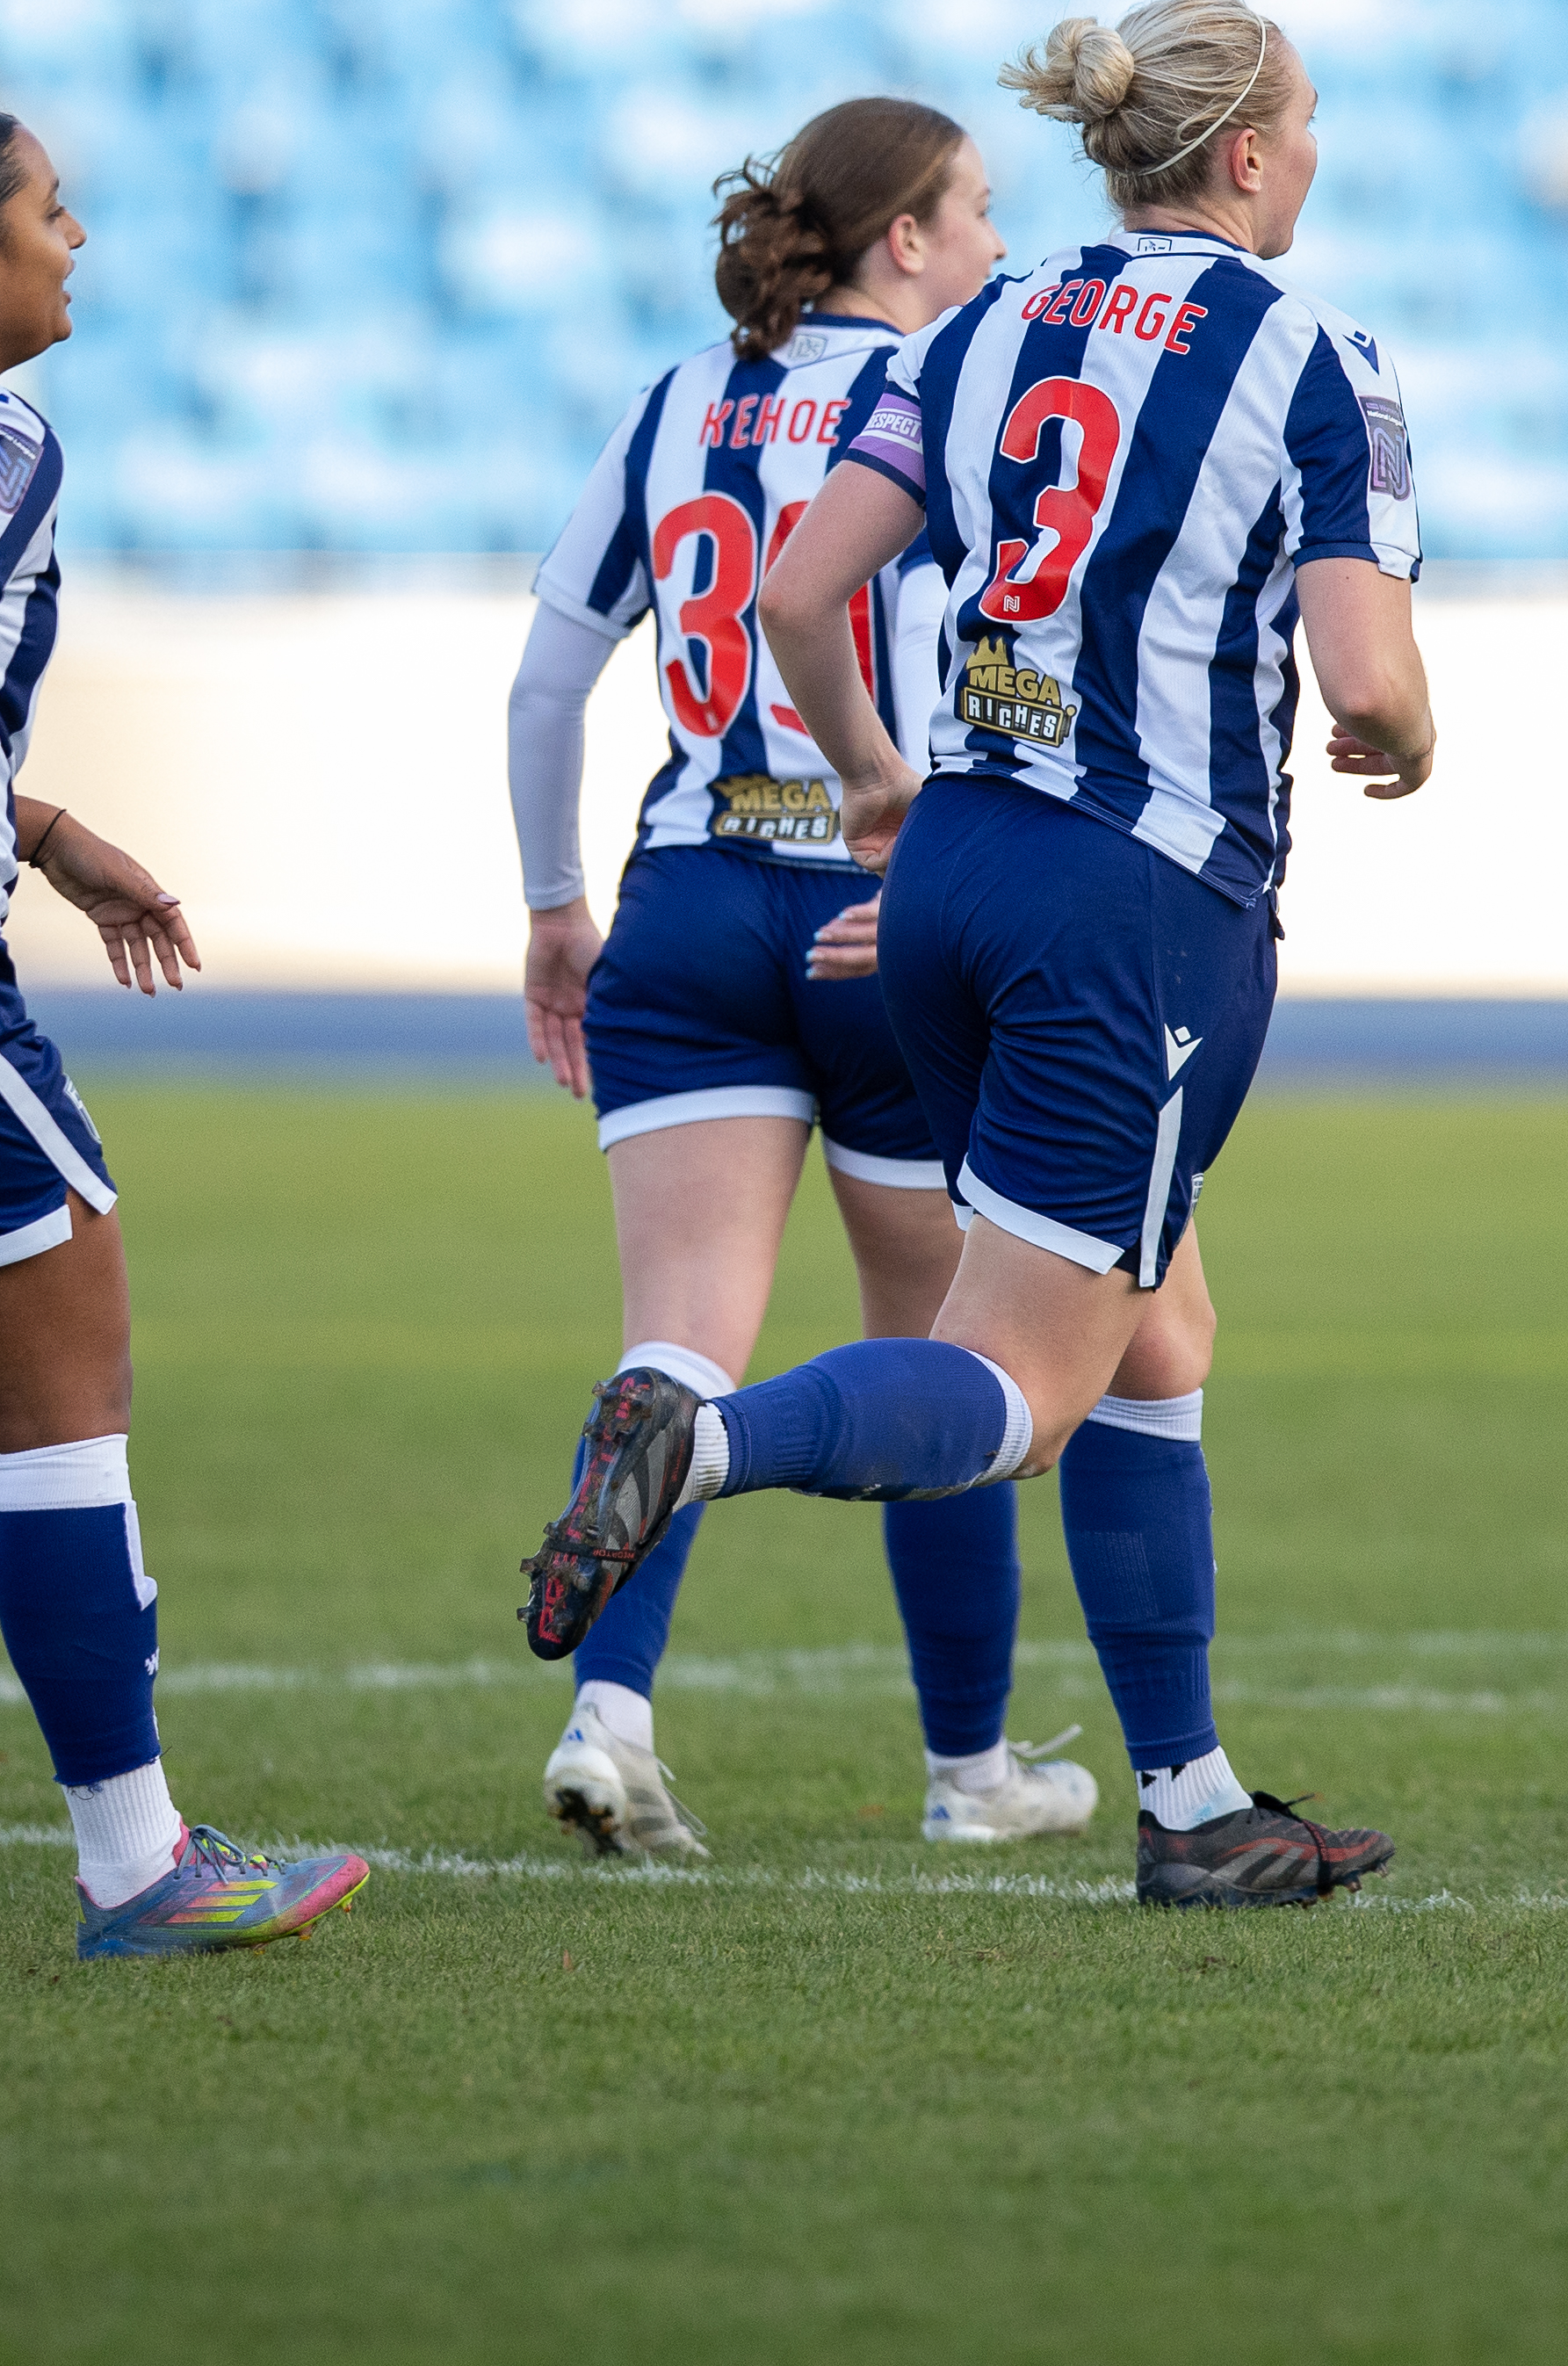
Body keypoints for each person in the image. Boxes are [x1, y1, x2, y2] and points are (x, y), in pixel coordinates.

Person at [512, 0, 1437, 1911]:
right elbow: (1369, 677)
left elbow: (793, 586)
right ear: (1253, 153)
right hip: (1138, 904)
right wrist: (1402, 737)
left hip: (942, 877)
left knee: (1158, 1326)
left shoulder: (984, 323)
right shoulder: (1318, 353)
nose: (1319, 149)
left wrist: (875, 784)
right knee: (1019, 1382)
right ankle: (701, 1444)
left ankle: (1189, 1792)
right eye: (1314, 119)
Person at [0, 102, 372, 1957]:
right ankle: (135, 1860)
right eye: (49, 210)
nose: (76, 235)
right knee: (63, 1390)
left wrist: (37, 826)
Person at [509, 96, 1098, 1857]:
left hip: (685, 905)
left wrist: (553, 907)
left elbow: (548, 682)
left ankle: (608, 1717)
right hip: (875, 909)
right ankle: (973, 1771)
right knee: (946, 1347)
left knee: (674, 1345)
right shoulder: (955, 395)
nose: (999, 242)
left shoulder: (676, 397)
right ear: (902, 237)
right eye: (979, 210)